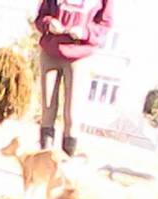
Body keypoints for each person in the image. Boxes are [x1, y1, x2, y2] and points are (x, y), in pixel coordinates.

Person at [35, 0, 114, 156]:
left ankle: (66, 162)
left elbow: (105, 24)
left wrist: (85, 32)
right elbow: (40, 17)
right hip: (51, 51)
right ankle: (44, 159)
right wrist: (49, 23)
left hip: (80, 54)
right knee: (47, 109)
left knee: (72, 113)